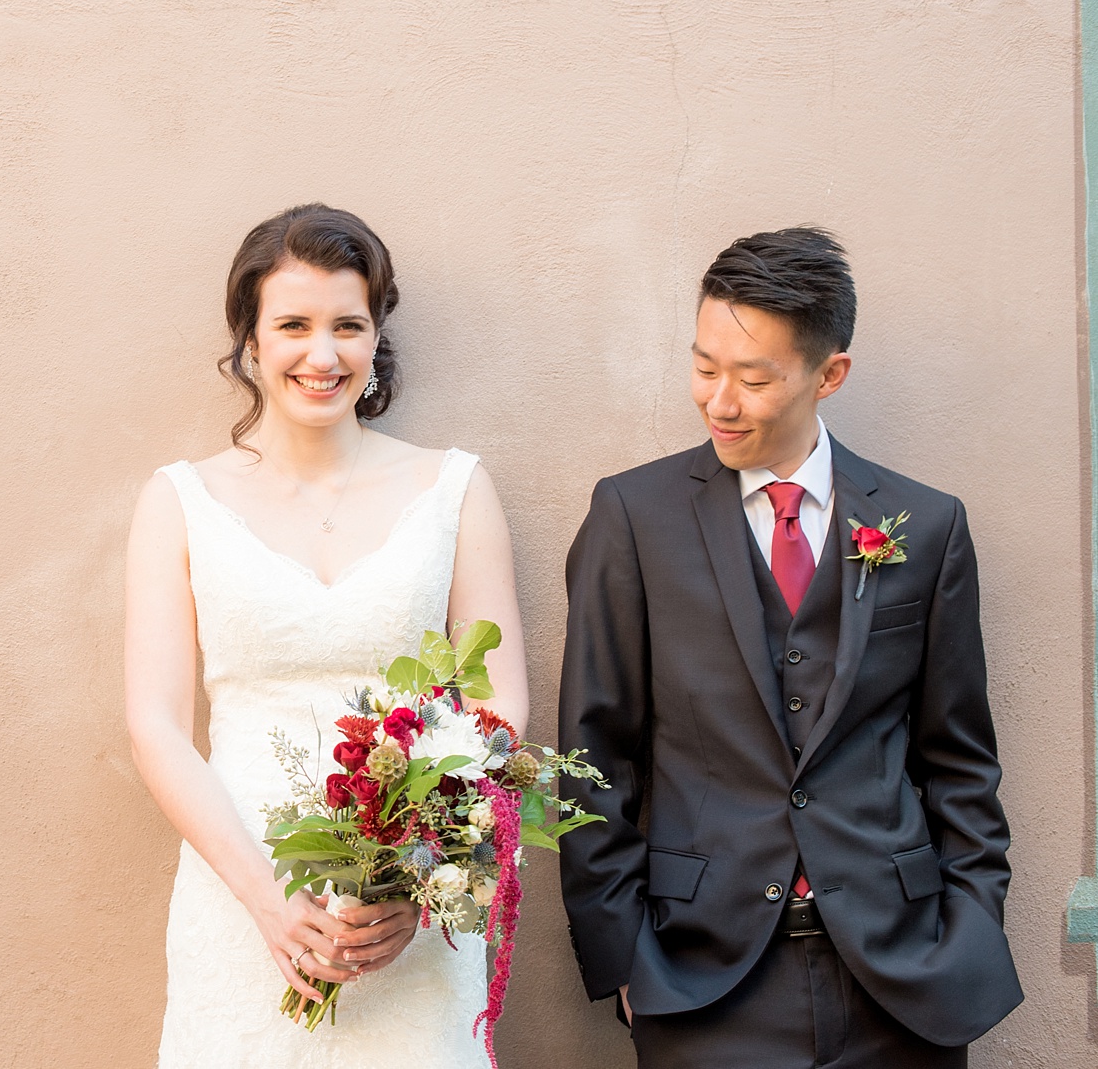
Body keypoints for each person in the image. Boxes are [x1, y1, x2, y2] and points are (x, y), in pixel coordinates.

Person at [557, 228, 1022, 1068]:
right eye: (704, 367)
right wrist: (625, 958)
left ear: (829, 374)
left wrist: (970, 926)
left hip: (903, 979)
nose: (719, 401)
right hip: (702, 982)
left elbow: (959, 758)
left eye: (754, 377)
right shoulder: (633, 517)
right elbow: (594, 755)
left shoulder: (932, 524)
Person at [125, 204, 529, 1066]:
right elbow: (157, 727)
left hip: (407, 922)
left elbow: (495, 706)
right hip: (239, 908)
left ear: (376, 336)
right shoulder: (178, 502)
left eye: (349, 325)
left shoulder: (455, 489)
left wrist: (415, 884)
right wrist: (268, 900)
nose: (323, 354)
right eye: (294, 325)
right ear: (250, 339)